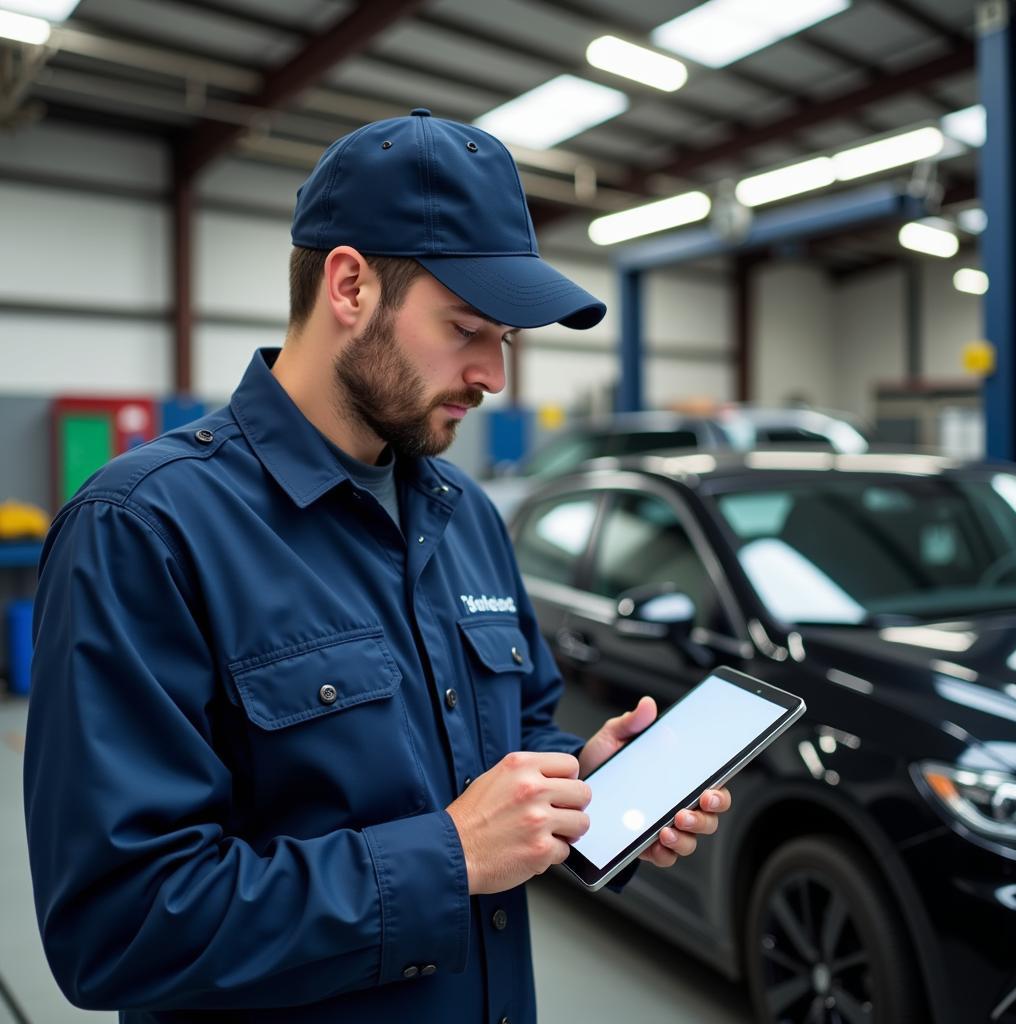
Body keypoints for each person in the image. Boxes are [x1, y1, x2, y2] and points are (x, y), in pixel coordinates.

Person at [24, 109, 732, 1024]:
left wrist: (586, 780)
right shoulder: (145, 529)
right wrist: (448, 857)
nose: (493, 375)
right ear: (350, 286)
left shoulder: (464, 513)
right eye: (466, 326)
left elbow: (512, 735)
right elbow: (114, 927)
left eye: (505, 341)